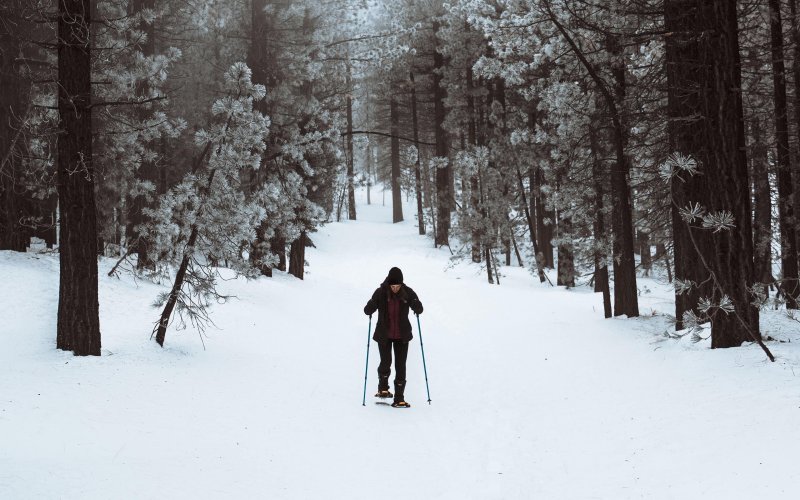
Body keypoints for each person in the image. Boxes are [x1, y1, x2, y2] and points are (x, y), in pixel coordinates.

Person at [363, 267, 423, 408]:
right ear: (389, 283)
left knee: (400, 366)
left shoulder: (408, 292)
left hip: (402, 336)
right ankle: (383, 388)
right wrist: (371, 306)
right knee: (386, 361)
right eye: (393, 286)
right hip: (384, 334)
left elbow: (420, 308)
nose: (395, 288)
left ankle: (399, 398)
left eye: (398, 286)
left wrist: (416, 305)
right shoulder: (381, 292)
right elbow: (367, 310)